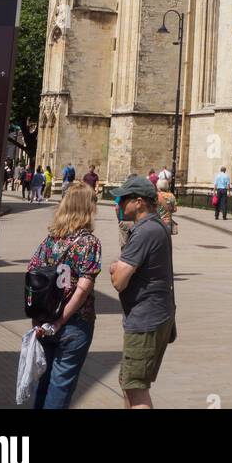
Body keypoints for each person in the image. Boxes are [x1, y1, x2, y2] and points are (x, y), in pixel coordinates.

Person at [27, 182, 102, 409]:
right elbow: (83, 288)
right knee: (61, 386)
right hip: (75, 323)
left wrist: (38, 318)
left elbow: (32, 277)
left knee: (45, 382)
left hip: (45, 319)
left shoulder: (49, 240)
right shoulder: (89, 242)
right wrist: (61, 321)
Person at [109, 175, 177, 408]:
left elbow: (119, 281)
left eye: (122, 199)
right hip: (155, 314)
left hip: (145, 318)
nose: (118, 205)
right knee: (130, 383)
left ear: (139, 202)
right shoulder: (156, 226)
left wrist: (116, 269)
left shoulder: (145, 231)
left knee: (136, 387)